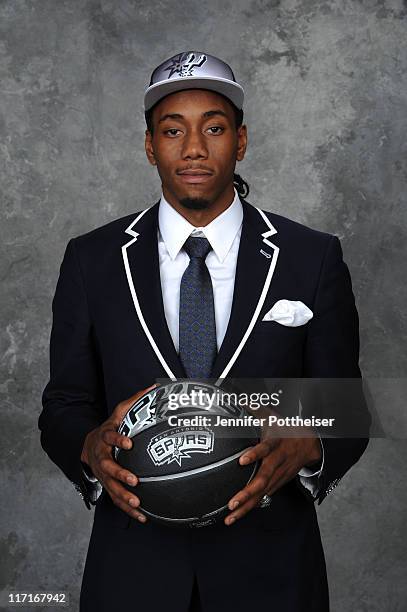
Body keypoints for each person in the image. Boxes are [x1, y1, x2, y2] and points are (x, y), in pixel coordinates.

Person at [38, 51, 370, 612]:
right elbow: (65, 404)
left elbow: (346, 405)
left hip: (272, 572)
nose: (194, 147)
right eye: (173, 131)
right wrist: (89, 446)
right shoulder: (91, 260)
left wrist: (308, 440)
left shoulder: (310, 257)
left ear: (240, 142)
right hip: (133, 571)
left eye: (214, 128)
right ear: (150, 146)